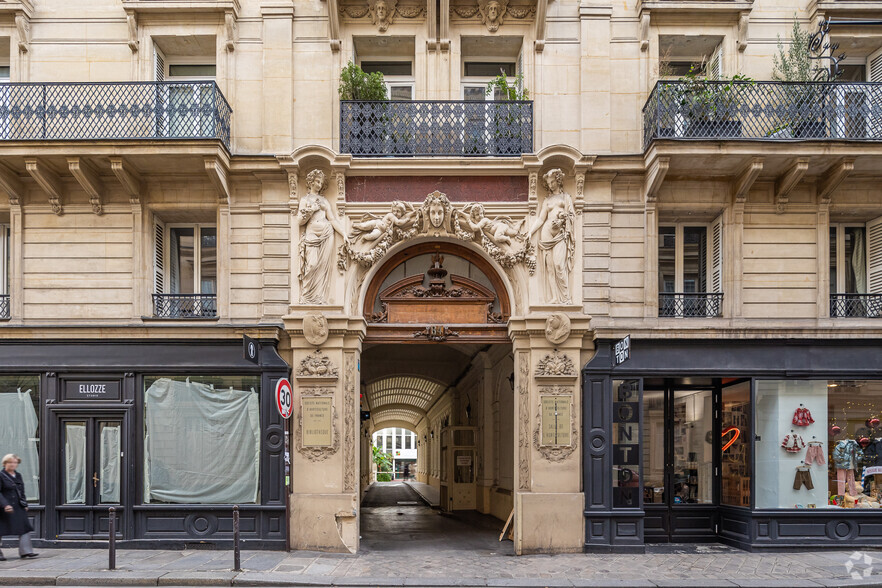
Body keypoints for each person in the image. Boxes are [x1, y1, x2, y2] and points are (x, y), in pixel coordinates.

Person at [0, 454, 38, 560]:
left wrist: (24, 504)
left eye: (15, 462)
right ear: (5, 463)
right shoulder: (1, 475)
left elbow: (21, 491)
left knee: (24, 528)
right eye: (11, 462)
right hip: (3, 507)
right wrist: (5, 505)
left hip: (17, 506)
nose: (13, 464)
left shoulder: (18, 475)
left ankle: (26, 552)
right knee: (1, 529)